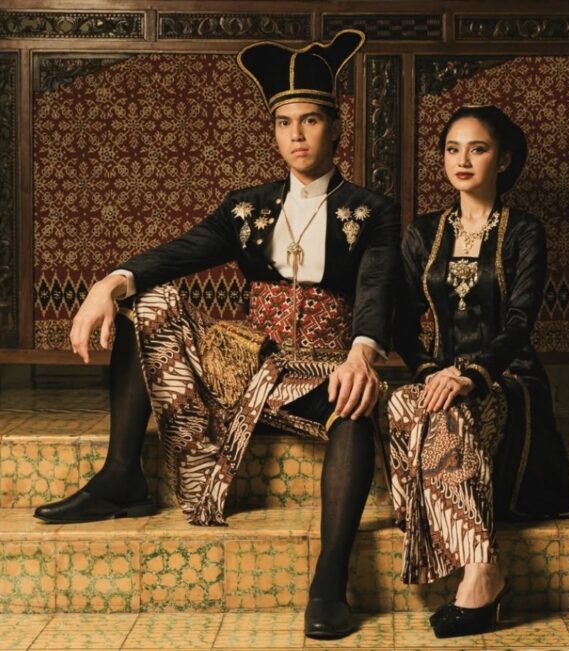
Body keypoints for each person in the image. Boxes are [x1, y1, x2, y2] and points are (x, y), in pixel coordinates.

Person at [34, 29, 400, 640]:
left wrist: (362, 353)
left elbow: (379, 285)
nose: (297, 135)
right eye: (284, 123)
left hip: (323, 369)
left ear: (336, 128)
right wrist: (110, 282)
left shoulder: (370, 210)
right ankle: (121, 476)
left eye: (310, 121)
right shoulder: (246, 207)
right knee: (146, 299)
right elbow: (178, 253)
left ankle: (331, 579)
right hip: (247, 362)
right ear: (274, 132)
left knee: (356, 408)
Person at [387, 105, 569, 638]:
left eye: (478, 149)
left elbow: (519, 322)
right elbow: (403, 324)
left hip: (507, 376)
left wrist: (471, 375)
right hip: (440, 374)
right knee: (402, 402)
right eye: (452, 149)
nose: (462, 160)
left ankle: (480, 574)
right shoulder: (424, 232)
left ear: (504, 159)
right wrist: (430, 370)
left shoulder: (524, 232)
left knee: (449, 414)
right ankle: (464, 553)